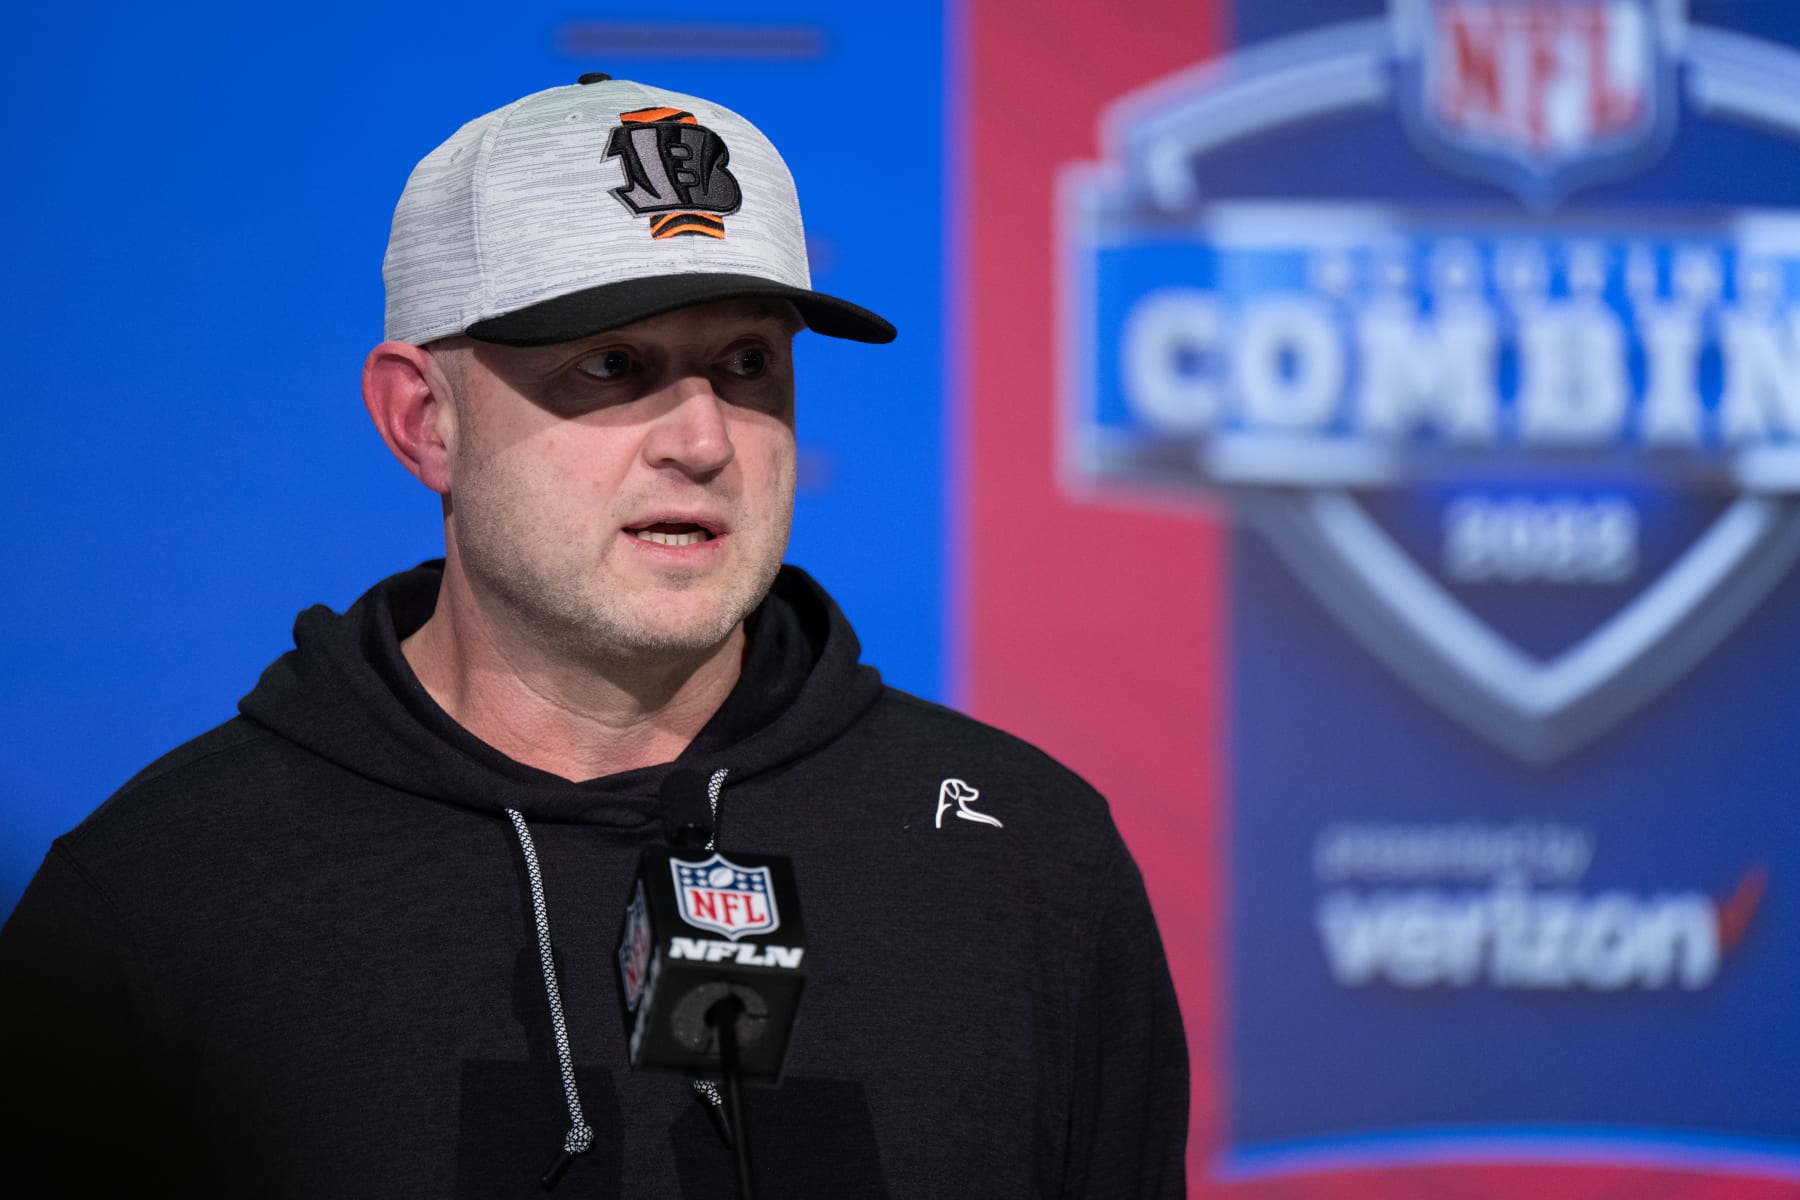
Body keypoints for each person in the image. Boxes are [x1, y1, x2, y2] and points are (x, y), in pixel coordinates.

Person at [0, 76, 1188, 1197]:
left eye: (746, 364)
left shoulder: (1026, 858)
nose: (703, 440)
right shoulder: (161, 900)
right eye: (613, 365)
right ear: (424, 420)